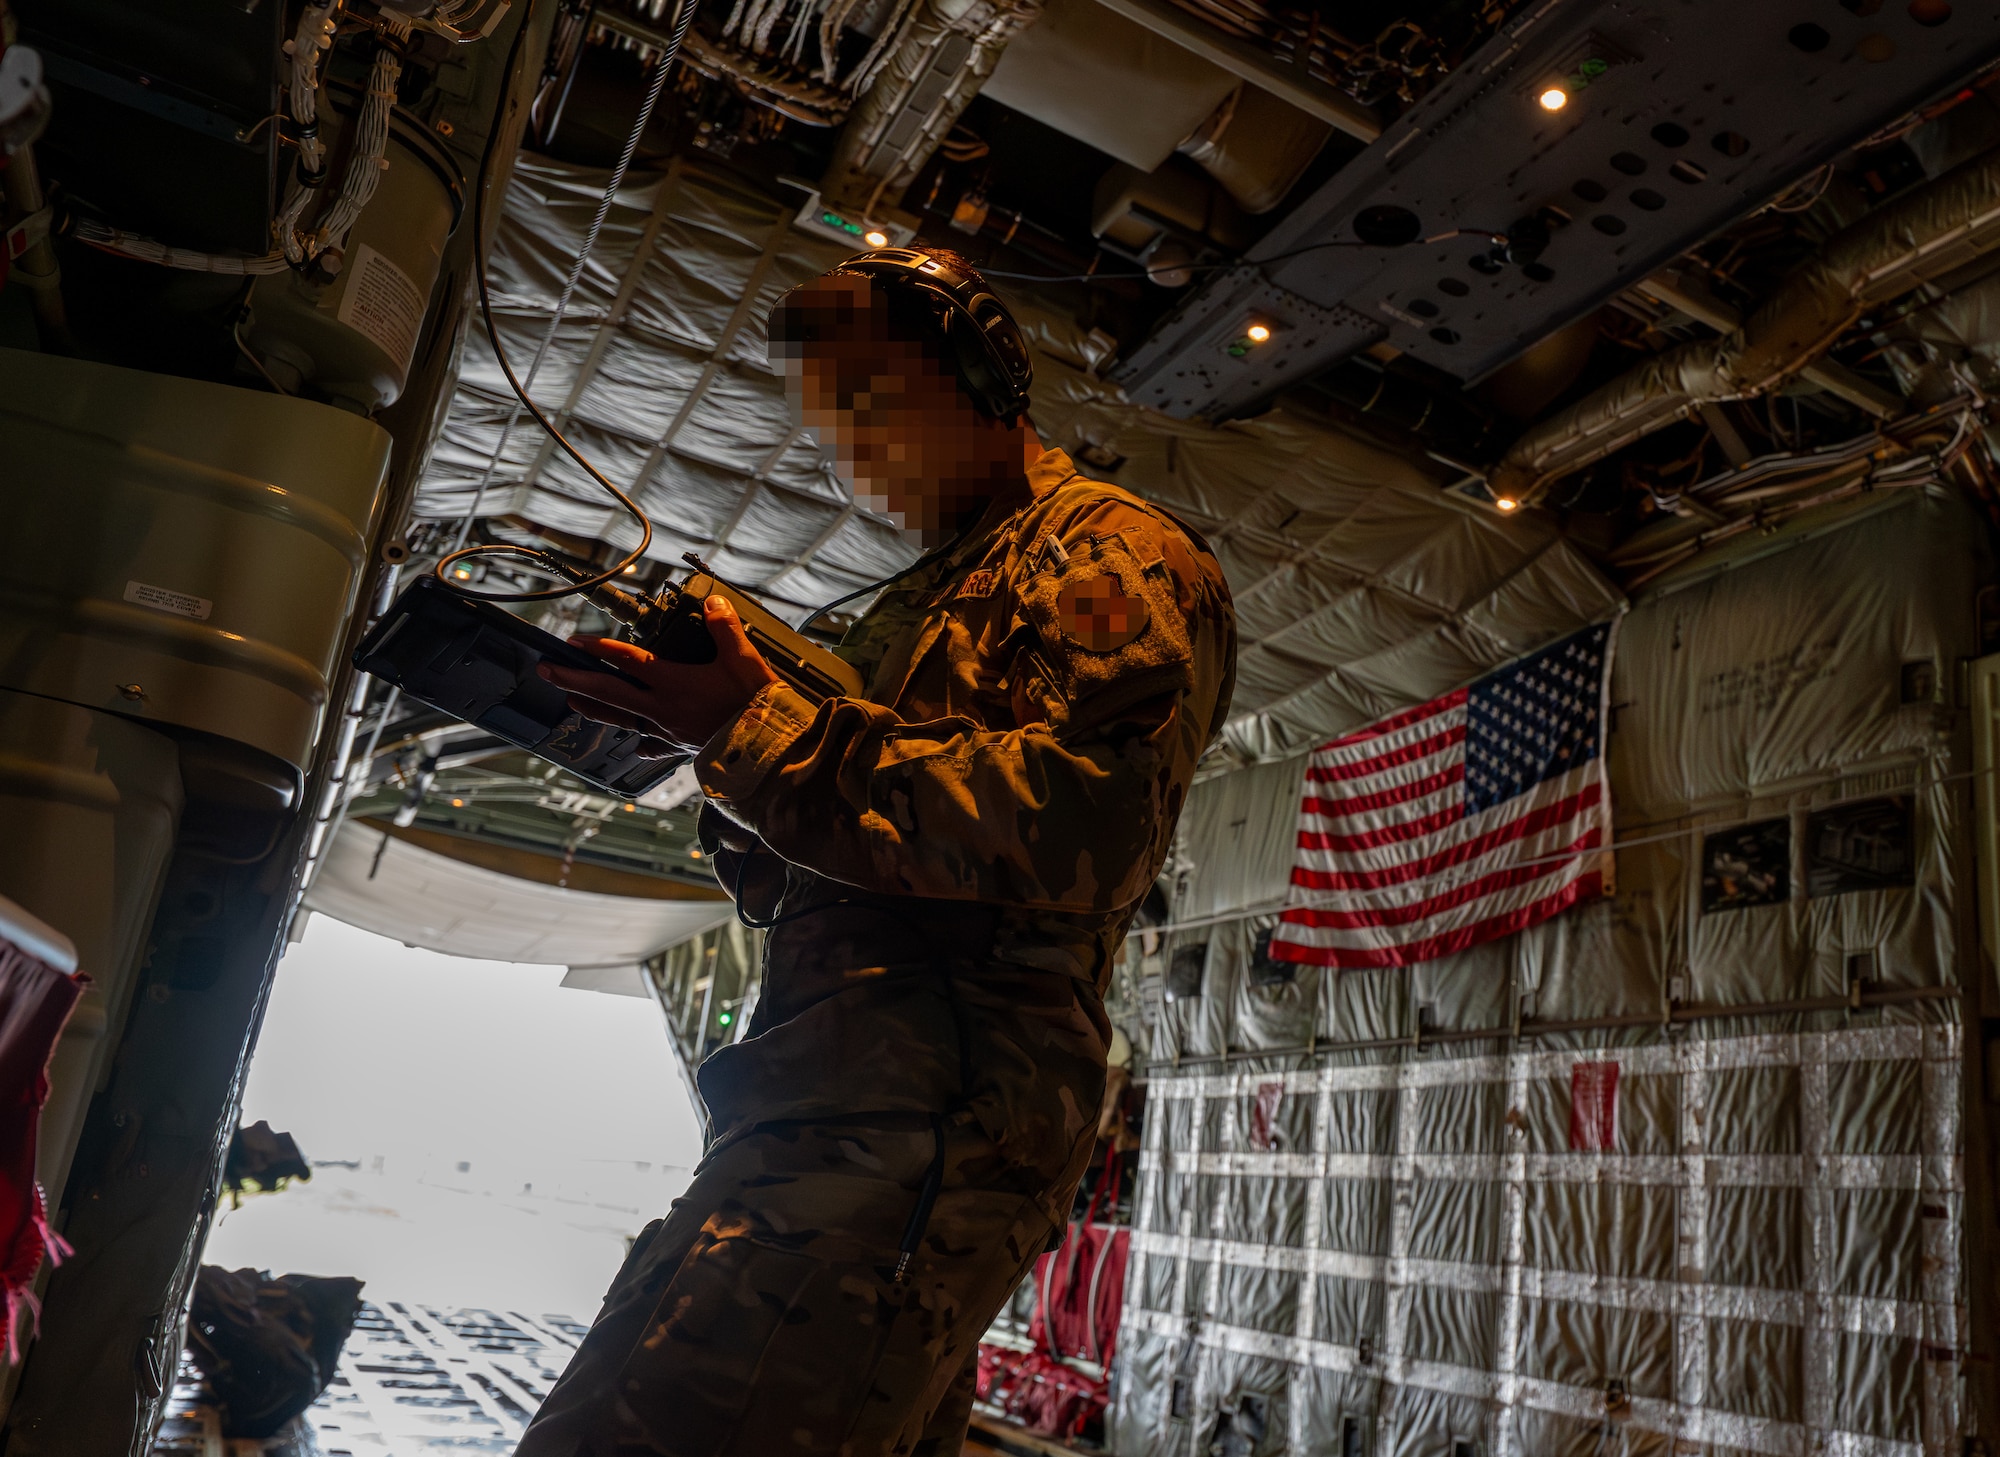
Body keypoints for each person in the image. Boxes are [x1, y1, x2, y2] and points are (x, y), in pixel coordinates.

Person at [516, 247, 1235, 1456]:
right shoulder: (942, 586)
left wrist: (754, 728)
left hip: (915, 1122)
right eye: (828, 418)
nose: (848, 449)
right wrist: (713, 735)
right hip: (843, 1106)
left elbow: (1087, 824)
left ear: (977, 372)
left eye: (868, 399)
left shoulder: (1099, 552)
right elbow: (868, 840)